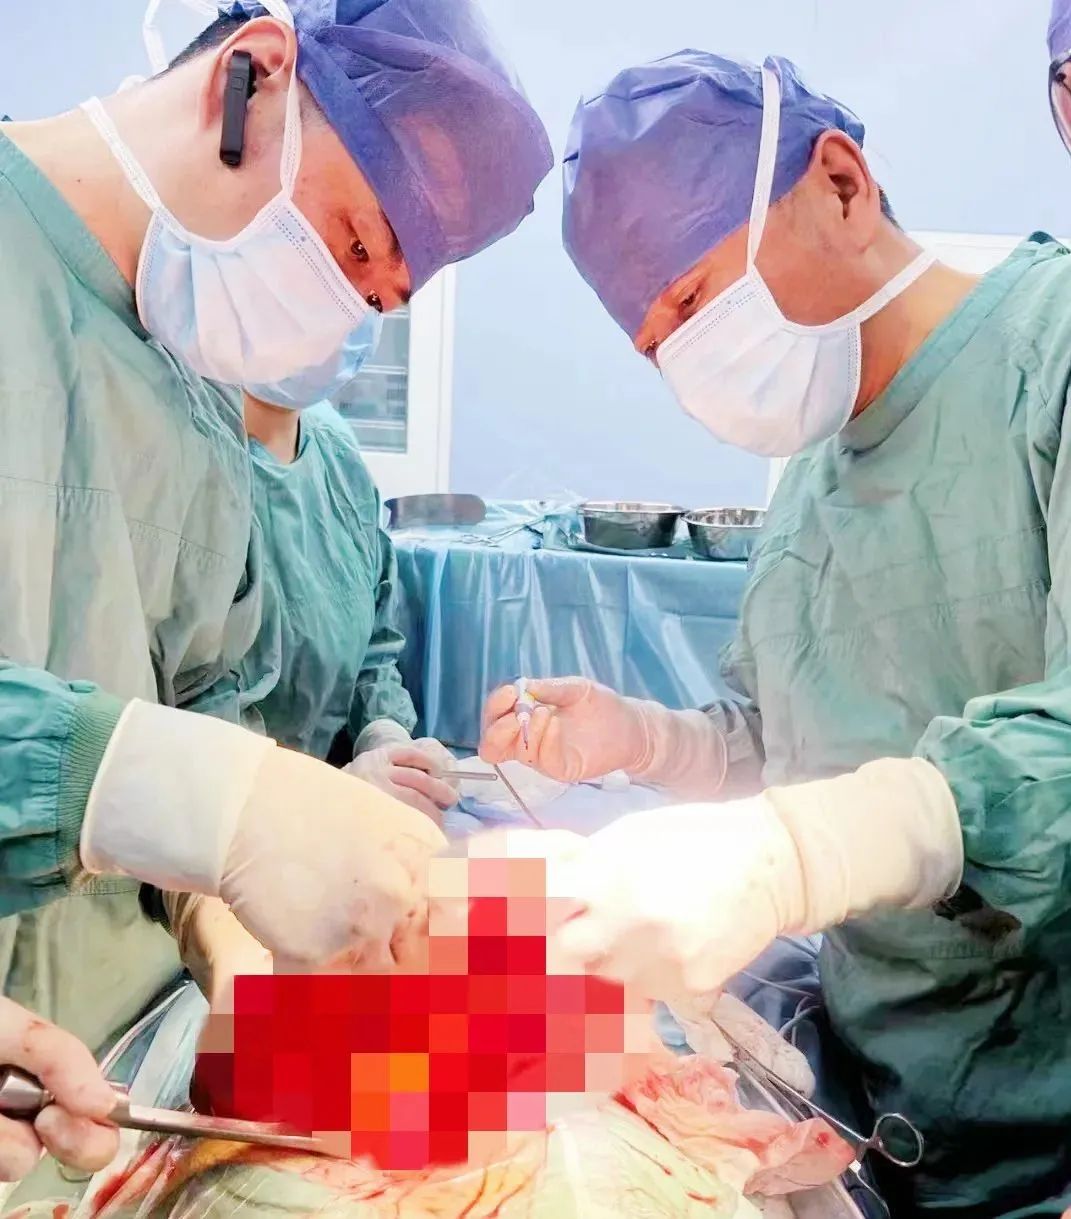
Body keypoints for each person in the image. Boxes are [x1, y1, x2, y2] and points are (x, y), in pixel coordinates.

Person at [482, 50, 1071, 1216]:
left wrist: (789, 857)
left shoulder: (1047, 356)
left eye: (694, 300)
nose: (683, 357)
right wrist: (644, 739)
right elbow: (791, 748)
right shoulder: (810, 472)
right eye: (655, 343)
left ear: (841, 183)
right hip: (873, 1111)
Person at [0, 0, 551, 1185]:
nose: (345, 309)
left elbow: (206, 715)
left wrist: (240, 952)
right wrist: (148, 785)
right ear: (247, 80)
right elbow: (158, 776)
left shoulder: (193, 406)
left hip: (110, 1089)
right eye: (353, 247)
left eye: (378, 301)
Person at [236, 360, 457, 821]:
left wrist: (385, 735)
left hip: (326, 821)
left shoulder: (335, 454)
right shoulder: (191, 461)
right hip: (223, 824)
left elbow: (372, 645)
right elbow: (182, 709)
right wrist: (317, 795)